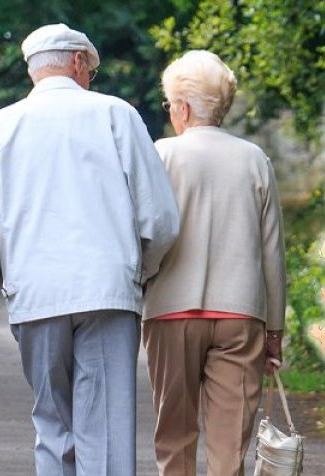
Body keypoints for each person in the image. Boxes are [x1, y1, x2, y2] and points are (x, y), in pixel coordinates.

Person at [0, 23, 180, 476]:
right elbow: (160, 219)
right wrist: (140, 272)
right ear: (77, 62)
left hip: (36, 294)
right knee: (106, 433)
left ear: (32, 71)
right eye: (90, 69)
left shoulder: (1, 125)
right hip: (108, 292)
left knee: (53, 426)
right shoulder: (117, 115)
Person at [141, 50, 286, 476]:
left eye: (170, 105)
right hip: (241, 315)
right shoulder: (254, 159)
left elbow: (146, 232)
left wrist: (142, 279)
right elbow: (272, 252)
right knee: (229, 448)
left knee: (174, 438)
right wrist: (274, 330)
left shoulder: (161, 154)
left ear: (183, 108)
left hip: (170, 311)